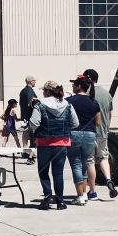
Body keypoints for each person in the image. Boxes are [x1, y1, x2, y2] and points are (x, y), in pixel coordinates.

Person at [28, 81, 79, 210]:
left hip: (44, 143)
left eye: (44, 90)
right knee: (58, 173)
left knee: (43, 171)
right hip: (61, 143)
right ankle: (60, 202)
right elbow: (76, 123)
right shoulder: (67, 104)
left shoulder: (40, 105)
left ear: (47, 91)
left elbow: (34, 124)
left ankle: (47, 195)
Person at [83, 68, 118, 199]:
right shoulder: (107, 94)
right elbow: (109, 115)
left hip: (89, 132)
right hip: (103, 132)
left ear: (89, 79)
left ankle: (92, 191)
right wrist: (106, 130)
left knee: (90, 161)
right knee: (103, 158)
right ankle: (108, 179)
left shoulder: (85, 93)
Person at [66, 76, 101, 205]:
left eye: (74, 84)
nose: (72, 87)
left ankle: (80, 195)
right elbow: (98, 122)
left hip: (74, 133)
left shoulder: (69, 101)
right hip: (90, 134)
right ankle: (85, 193)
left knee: (76, 164)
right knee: (86, 163)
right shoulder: (93, 101)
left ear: (79, 86)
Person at [19, 76, 38, 163]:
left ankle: (25, 152)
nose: (35, 82)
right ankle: (31, 154)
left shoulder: (22, 91)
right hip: (30, 116)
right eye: (34, 81)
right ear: (30, 82)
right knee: (33, 136)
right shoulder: (29, 91)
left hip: (24, 116)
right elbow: (31, 103)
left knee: (25, 135)